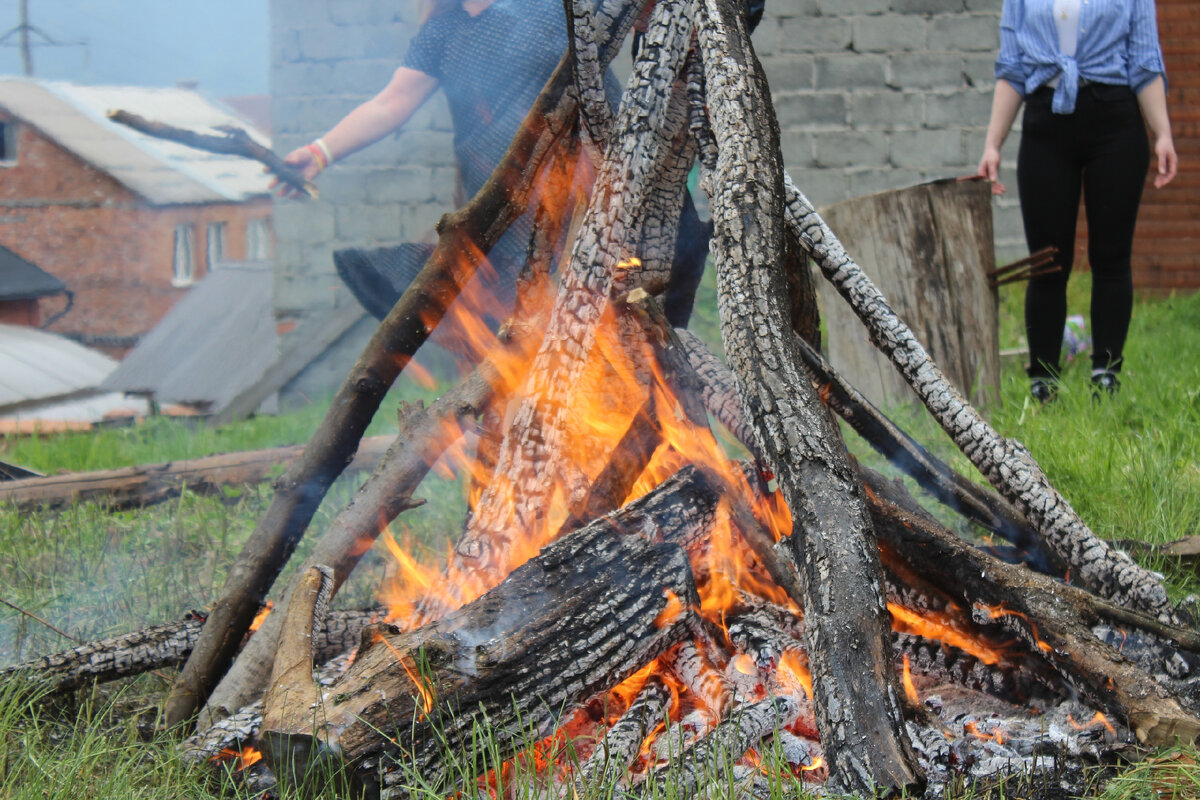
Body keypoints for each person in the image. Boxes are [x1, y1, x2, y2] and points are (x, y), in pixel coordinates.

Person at [280, 0, 710, 330]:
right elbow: (389, 104)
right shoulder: (442, 34)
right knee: (534, 329)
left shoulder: (552, 4)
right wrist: (319, 152)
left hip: (601, 187)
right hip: (514, 211)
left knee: (639, 305)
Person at [977, 0, 1178, 402]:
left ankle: (1106, 376)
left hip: (1116, 122)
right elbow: (1013, 67)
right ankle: (1044, 382)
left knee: (1111, 256)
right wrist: (992, 144)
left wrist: (1163, 135)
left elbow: (1144, 61)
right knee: (1048, 259)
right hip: (1045, 122)